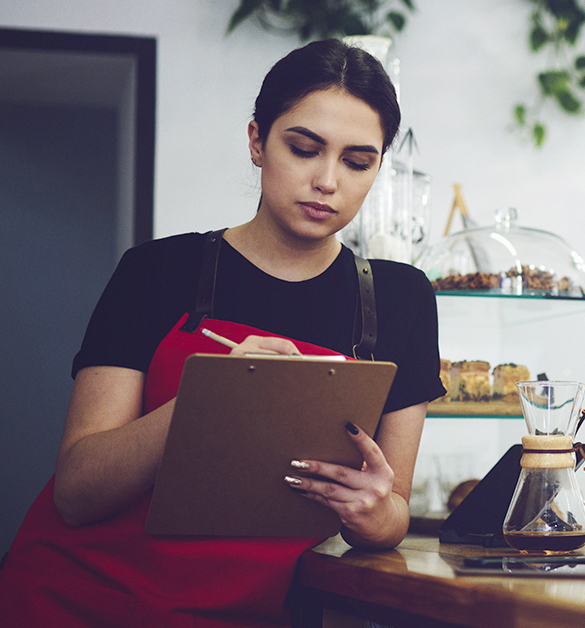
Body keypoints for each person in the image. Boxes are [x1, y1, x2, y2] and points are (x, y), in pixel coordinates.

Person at [0, 39, 445, 627]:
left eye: (357, 161)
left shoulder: (401, 298)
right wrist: (212, 397)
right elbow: (76, 495)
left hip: (251, 613)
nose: (328, 181)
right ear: (258, 142)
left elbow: (392, 513)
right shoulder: (155, 271)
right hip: (83, 596)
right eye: (304, 149)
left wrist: (373, 514)